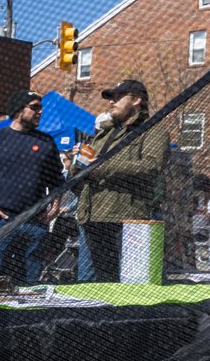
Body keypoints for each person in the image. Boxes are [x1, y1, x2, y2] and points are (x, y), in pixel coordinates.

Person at [71, 79, 168, 282]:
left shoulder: (151, 129)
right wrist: (78, 161)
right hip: (90, 216)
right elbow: (84, 167)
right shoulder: (104, 132)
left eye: (117, 97)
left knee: (126, 283)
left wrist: (102, 167)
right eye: (111, 98)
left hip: (126, 220)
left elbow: (152, 165)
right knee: (92, 283)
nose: (111, 103)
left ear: (136, 100)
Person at [0, 89, 64, 284]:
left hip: (35, 222)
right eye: (35, 107)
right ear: (19, 109)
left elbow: (56, 180)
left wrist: (54, 207)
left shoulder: (46, 142)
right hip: (1, 220)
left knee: (30, 282)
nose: (40, 112)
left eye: (41, 108)